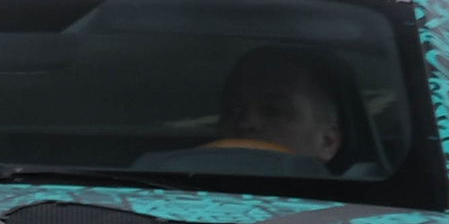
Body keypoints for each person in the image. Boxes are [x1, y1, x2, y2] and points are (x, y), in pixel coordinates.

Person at [134, 45, 345, 176]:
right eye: (233, 109)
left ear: (327, 142)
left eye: (273, 110)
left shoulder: (354, 221)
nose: (246, 123)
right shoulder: (150, 192)